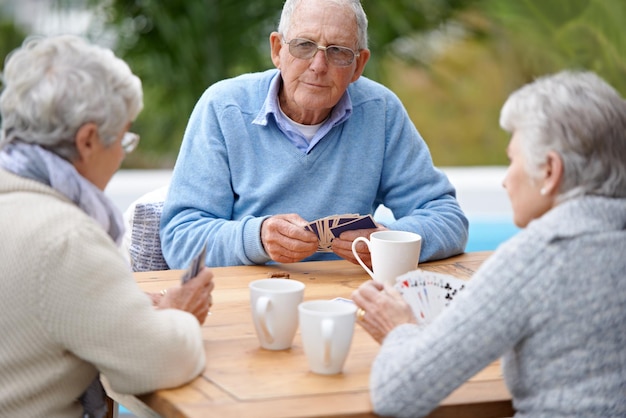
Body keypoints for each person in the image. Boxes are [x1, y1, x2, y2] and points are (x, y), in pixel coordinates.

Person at [351, 70, 626, 417]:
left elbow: (396, 394)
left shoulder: (536, 260)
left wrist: (398, 329)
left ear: (550, 171)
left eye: (513, 160)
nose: (506, 181)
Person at [159, 0, 468, 268]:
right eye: (304, 45)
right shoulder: (223, 108)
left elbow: (448, 218)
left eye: (337, 52)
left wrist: (390, 241)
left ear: (359, 65)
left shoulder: (380, 111)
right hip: (251, 294)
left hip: (347, 301)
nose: (319, 66)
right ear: (278, 50)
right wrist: (256, 238)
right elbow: (179, 239)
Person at [0, 35, 214, 418]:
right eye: (124, 139)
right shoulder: (66, 238)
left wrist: (118, 302)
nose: (120, 156)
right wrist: (179, 312)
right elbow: (162, 361)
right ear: (87, 141)